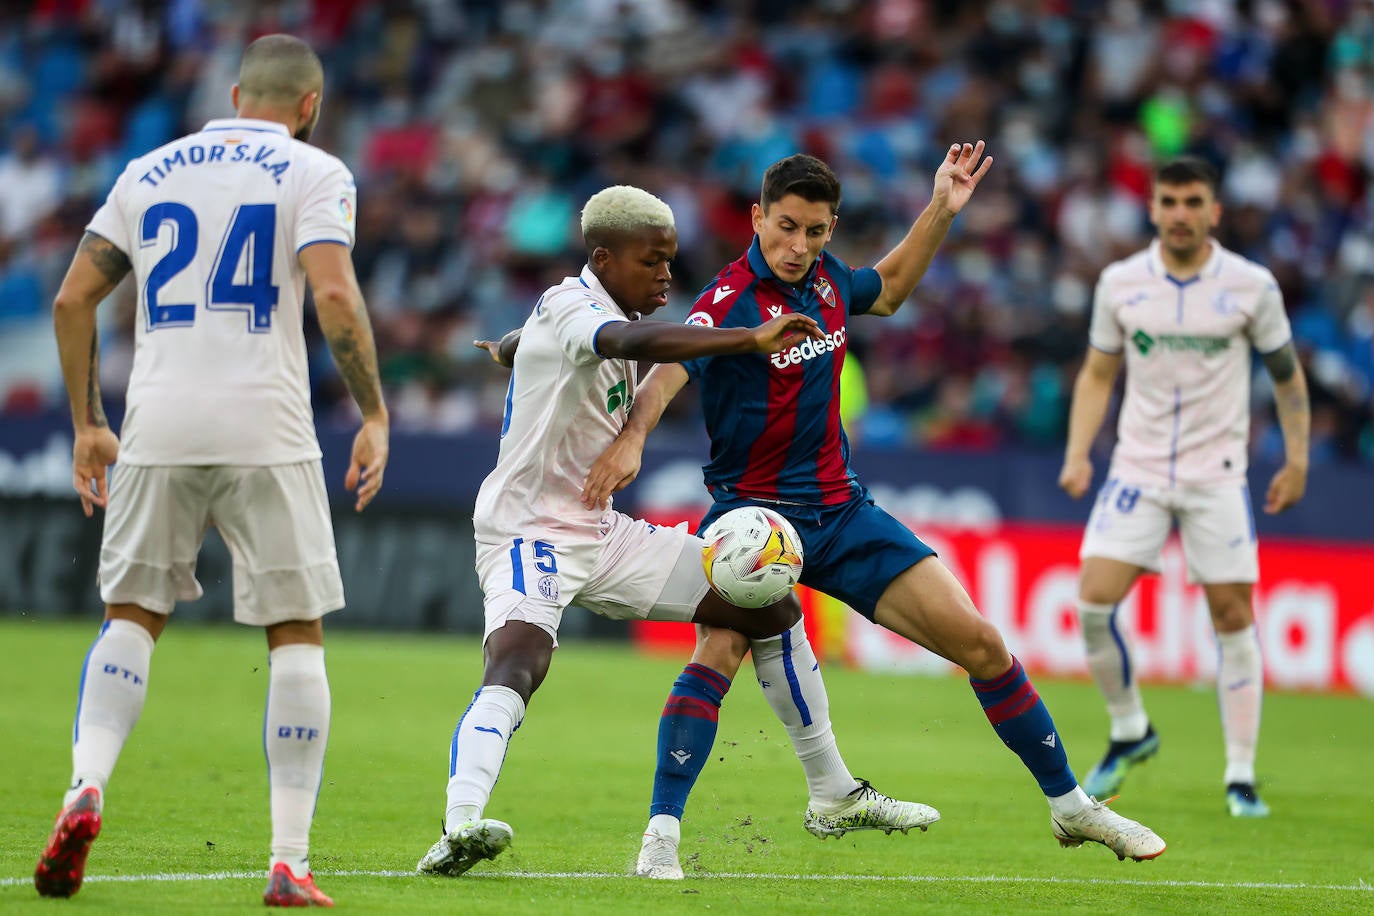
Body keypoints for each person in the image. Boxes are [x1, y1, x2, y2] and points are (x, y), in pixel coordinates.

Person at [581, 147, 1167, 880]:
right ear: (759, 219)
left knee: (982, 644)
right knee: (716, 658)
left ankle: (1071, 805)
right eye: (787, 228)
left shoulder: (828, 281)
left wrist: (941, 209)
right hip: (757, 525)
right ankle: (660, 841)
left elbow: (886, 289)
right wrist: (633, 437)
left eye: (816, 232)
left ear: (831, 230)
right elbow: (671, 368)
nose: (799, 248)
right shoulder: (729, 299)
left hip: (843, 512)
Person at [35, 34, 389, 907]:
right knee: (295, 633)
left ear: (235, 95)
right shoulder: (315, 171)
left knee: (130, 618)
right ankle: (288, 859)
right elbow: (335, 294)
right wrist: (374, 412)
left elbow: (73, 297)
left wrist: (88, 424)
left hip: (156, 424)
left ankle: (86, 784)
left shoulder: (149, 171)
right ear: (308, 104)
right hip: (265, 425)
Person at [414, 184, 825, 878]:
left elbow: (561, 338)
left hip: (601, 533)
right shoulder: (584, 308)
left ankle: (830, 789)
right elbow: (620, 339)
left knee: (769, 604)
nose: (666, 273)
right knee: (519, 663)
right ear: (603, 258)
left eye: (670, 259)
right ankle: (459, 827)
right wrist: (747, 339)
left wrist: (512, 346)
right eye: (651, 260)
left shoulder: (593, 307)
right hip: (527, 532)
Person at [1058, 156, 1310, 818]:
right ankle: (1131, 728)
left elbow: (1286, 376)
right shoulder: (1120, 282)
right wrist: (1079, 451)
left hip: (1216, 476)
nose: (1179, 213)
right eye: (1168, 201)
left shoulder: (1251, 286)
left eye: (1193, 202)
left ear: (1214, 211)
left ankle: (1240, 774)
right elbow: (1096, 374)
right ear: (1153, 209)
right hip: (1137, 470)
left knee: (1232, 616)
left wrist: (1298, 459)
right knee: (1090, 602)